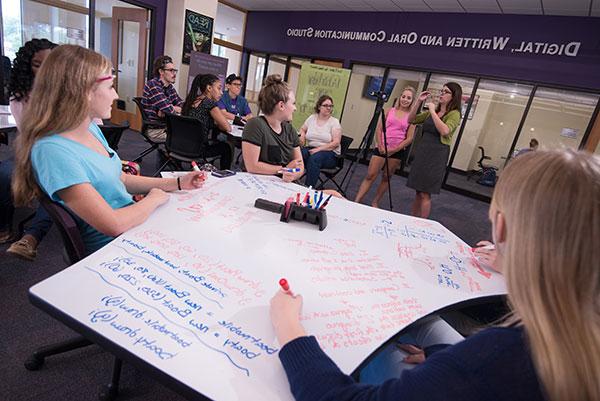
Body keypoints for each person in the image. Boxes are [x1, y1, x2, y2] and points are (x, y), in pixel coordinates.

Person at [271, 149, 600, 401]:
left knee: (383, 347)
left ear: (501, 226)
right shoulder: (576, 339)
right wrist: (440, 358)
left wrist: (289, 327)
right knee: (425, 331)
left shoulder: (496, 358)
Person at [12, 45, 206, 254]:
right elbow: (113, 224)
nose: (115, 96)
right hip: (115, 249)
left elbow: (120, 179)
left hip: (134, 228)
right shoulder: (52, 151)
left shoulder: (90, 128)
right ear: (83, 90)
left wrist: (177, 182)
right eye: (110, 87)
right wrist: (153, 199)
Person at [0, 38, 57, 260]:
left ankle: (32, 237)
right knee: (5, 173)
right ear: (27, 66)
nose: (45, 70)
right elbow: (32, 134)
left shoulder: (68, 92)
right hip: (32, 151)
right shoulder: (20, 97)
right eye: (37, 64)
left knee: (56, 181)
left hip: (59, 155)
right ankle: (5, 227)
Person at [406, 83, 462, 218]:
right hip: (423, 152)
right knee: (418, 191)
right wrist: (418, 101)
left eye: (446, 92)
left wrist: (431, 111)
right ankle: (411, 219)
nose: (442, 94)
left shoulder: (454, 114)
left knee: (426, 192)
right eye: (441, 91)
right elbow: (411, 119)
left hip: (437, 155)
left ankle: (423, 224)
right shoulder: (435, 111)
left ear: (454, 96)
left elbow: (444, 131)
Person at [354, 87, 416, 208]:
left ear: (412, 101)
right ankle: (357, 201)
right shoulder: (388, 111)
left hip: (396, 151)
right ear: (399, 97)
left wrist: (395, 150)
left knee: (386, 177)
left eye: (409, 98)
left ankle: (375, 202)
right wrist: (380, 144)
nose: (405, 100)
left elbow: (409, 138)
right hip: (381, 148)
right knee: (370, 175)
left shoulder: (412, 117)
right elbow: (379, 129)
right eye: (403, 96)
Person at [241, 74, 304, 183]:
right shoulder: (255, 125)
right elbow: (252, 166)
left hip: (285, 184)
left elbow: (300, 165)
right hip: (259, 184)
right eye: (293, 103)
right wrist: (284, 169)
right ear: (281, 105)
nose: (295, 108)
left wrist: (293, 175)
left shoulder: (290, 130)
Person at [181, 74, 233, 170]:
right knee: (226, 147)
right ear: (209, 88)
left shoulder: (191, 101)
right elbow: (227, 127)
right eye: (219, 88)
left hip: (182, 146)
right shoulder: (209, 103)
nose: (221, 93)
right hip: (198, 151)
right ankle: (225, 174)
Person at [298, 95, 342, 188]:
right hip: (312, 149)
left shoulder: (334, 122)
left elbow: (336, 142)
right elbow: (302, 129)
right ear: (319, 107)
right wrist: (302, 136)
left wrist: (318, 149)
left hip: (330, 153)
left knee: (314, 158)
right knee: (297, 153)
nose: (328, 108)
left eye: (330, 106)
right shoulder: (312, 118)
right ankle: (293, 181)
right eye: (325, 105)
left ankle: (308, 189)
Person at [141, 55, 183, 142]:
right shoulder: (153, 85)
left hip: (166, 127)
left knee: (190, 133)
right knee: (187, 138)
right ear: (161, 71)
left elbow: (181, 104)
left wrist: (168, 109)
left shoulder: (169, 87)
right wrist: (173, 108)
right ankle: (171, 154)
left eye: (175, 70)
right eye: (171, 70)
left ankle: (169, 153)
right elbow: (169, 110)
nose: (174, 74)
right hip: (155, 130)